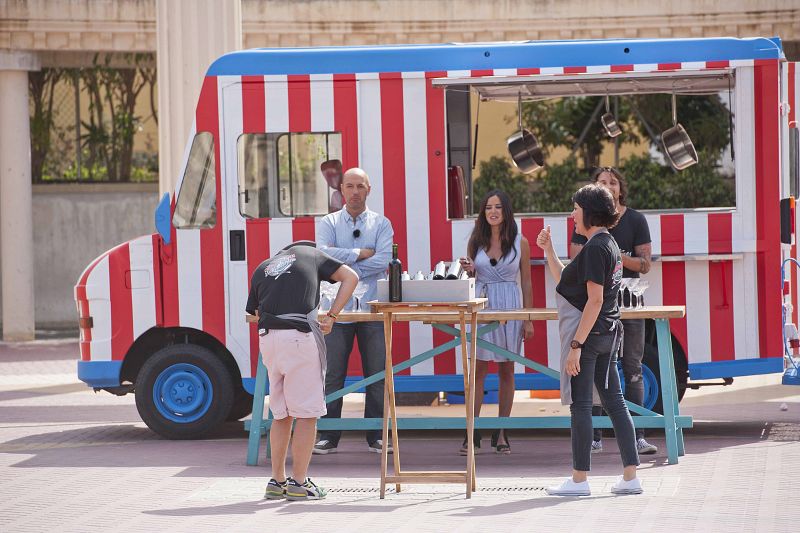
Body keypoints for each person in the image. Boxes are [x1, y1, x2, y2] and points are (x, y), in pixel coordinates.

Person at [537, 184, 642, 496]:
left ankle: (579, 480)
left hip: (591, 336)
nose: (572, 215)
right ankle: (630, 477)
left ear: (590, 213)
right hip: (608, 333)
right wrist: (549, 251)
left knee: (581, 406)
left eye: (576, 209)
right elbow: (566, 281)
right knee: (615, 402)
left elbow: (594, 301)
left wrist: (576, 346)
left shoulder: (595, 248)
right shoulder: (606, 244)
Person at [246, 240, 358, 501]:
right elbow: (350, 277)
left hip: (268, 339)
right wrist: (332, 316)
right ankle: (299, 483)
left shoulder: (263, 267)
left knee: (281, 414)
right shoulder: (312, 254)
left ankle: (277, 481)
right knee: (307, 414)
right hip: (298, 337)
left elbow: (256, 311)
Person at [569, 166, 657, 456]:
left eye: (613, 182)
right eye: (602, 182)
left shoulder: (634, 221)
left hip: (627, 302)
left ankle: (638, 437)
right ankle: (597, 438)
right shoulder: (587, 225)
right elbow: (575, 262)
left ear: (620, 189)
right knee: (602, 379)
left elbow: (645, 264)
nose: (608, 186)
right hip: (600, 306)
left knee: (632, 368)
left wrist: (615, 257)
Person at [314, 167, 395, 455]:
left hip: (373, 307)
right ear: (341, 190)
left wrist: (342, 268)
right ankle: (328, 435)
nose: (355, 192)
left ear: (369, 189)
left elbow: (384, 260)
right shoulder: (328, 222)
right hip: (336, 308)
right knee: (332, 373)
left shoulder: (382, 224)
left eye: (360, 186)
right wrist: (360, 253)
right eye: (349, 186)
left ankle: (377, 436)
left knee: (378, 372)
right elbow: (321, 254)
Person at [458, 189, 533, 455]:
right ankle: (472, 432)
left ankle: (502, 431)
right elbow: (470, 281)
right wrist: (469, 271)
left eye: (498, 207)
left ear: (506, 210)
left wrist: (528, 318)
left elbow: (526, 282)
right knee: (478, 370)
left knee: (507, 370)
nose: (493, 211)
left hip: (510, 305)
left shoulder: (520, 242)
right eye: (488, 207)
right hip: (483, 305)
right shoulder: (475, 241)